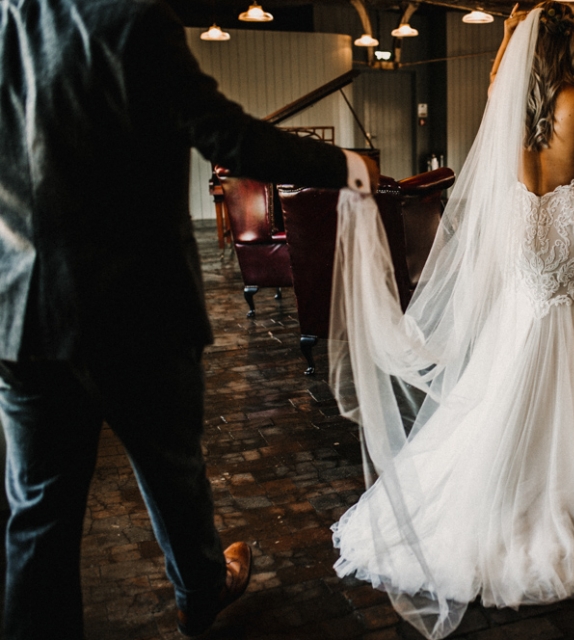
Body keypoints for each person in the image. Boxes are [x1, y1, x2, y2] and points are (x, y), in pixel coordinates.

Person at [0, 1, 376, 638]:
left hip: (22, 315)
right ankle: (200, 591)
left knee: (37, 515)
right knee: (172, 472)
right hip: (135, 309)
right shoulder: (131, 20)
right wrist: (343, 166)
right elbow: (227, 137)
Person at [327, 3, 574, 638]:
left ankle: (520, 453)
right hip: (570, 237)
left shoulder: (512, 97)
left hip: (526, 238)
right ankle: (547, 467)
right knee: (566, 339)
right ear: (570, 47)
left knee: (520, 345)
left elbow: (501, 80)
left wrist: (504, 39)